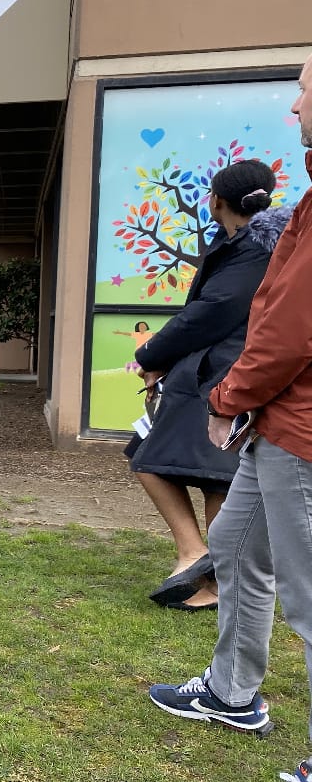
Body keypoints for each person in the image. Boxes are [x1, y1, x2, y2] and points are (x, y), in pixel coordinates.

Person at [147, 54, 312, 782]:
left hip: (300, 431)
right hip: (274, 424)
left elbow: (286, 331)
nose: (295, 109)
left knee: (308, 598)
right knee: (236, 549)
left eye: (304, 93)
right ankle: (231, 691)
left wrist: (225, 398)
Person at [129, 160, 289, 611]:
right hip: (212, 371)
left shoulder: (255, 249)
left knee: (191, 469)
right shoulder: (243, 243)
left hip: (224, 375)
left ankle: (207, 568)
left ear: (215, 200)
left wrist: (150, 355)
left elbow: (210, 312)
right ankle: (204, 564)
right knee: (195, 468)